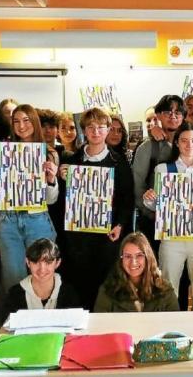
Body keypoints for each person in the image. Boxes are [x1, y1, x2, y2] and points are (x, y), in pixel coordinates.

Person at [0, 104, 59, 295]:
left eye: (26, 120)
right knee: (12, 276)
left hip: (37, 219)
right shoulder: (4, 152)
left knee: (42, 273)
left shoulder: (48, 153)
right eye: (16, 121)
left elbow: (51, 199)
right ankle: (13, 319)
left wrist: (51, 180)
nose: (21, 126)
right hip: (9, 219)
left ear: (34, 122)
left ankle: (42, 318)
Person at [59, 108, 134, 310]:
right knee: (80, 285)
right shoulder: (72, 161)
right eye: (90, 127)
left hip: (107, 235)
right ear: (83, 130)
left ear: (108, 129)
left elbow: (128, 199)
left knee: (106, 285)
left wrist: (120, 225)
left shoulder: (119, 162)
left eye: (101, 127)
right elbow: (62, 203)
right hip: (78, 237)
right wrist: (62, 178)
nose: (95, 132)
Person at [143, 124, 193, 311]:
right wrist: (149, 199)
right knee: (168, 287)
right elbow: (157, 205)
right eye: (184, 140)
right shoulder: (163, 169)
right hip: (171, 237)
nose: (189, 145)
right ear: (177, 143)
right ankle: (168, 329)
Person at [133, 95, 186, 254]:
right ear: (158, 115)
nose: (173, 116)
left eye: (178, 112)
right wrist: (151, 211)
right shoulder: (147, 147)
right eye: (167, 111)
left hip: (184, 221)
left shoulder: (191, 143)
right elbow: (137, 184)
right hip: (153, 221)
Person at [0, 238, 80, 325]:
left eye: (48, 262)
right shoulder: (15, 293)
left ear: (57, 263)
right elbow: (2, 325)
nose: (42, 269)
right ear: (28, 262)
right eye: (36, 262)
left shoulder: (68, 293)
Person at [94, 232, 179, 312]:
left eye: (139, 255)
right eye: (127, 256)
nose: (133, 262)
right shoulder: (108, 290)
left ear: (148, 258)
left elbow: (175, 323)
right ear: (121, 260)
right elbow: (99, 324)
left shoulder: (164, 289)